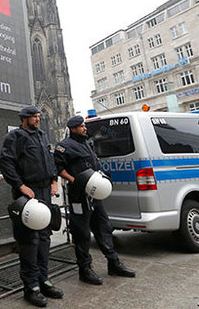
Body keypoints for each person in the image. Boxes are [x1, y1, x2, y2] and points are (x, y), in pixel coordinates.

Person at [54, 115, 135, 286]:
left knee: (104, 228)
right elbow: (59, 169)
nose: (85, 128)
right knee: (82, 233)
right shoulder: (64, 146)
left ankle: (113, 263)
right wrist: (77, 181)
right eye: (82, 126)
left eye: (84, 125)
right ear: (73, 128)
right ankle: (85, 269)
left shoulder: (87, 143)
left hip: (95, 194)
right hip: (79, 196)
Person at [0, 105, 62, 308]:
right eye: (34, 117)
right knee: (29, 241)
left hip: (44, 192)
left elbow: (49, 160)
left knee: (44, 238)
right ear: (24, 119)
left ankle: (44, 280)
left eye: (38, 116)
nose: (38, 119)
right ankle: (31, 287)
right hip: (28, 194)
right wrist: (20, 185)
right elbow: (5, 163)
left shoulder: (42, 136)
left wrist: (53, 180)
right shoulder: (15, 137)